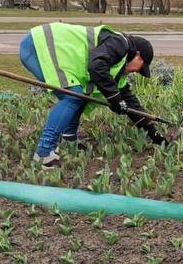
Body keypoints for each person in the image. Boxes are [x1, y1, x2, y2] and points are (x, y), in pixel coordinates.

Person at [19, 22, 166, 167]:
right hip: (39, 44)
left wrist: (153, 133)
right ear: (138, 56)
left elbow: (131, 104)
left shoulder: (119, 69)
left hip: (47, 48)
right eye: (141, 68)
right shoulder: (120, 43)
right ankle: (43, 153)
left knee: (79, 96)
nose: (137, 72)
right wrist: (114, 98)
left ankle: (69, 139)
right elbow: (96, 66)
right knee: (72, 96)